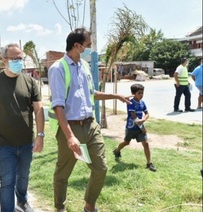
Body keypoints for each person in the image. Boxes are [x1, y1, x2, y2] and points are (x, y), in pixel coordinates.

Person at [48, 27, 131, 212]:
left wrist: (116, 96)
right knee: (63, 173)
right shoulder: (58, 69)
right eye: (88, 45)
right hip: (71, 127)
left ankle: (89, 205)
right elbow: (58, 105)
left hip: (90, 125)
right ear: (77, 46)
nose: (90, 49)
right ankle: (59, 207)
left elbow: (92, 94)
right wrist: (69, 136)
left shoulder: (83, 66)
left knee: (101, 168)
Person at [0, 43, 44, 212]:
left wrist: (40, 135)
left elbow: (38, 109)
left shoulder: (30, 82)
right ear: (4, 60)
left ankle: (22, 201)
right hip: (3, 145)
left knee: (23, 177)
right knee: (7, 181)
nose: (19, 61)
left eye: (21, 58)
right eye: (14, 58)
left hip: (26, 143)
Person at [113, 83, 156, 172]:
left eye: (142, 93)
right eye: (139, 93)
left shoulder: (142, 103)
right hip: (131, 128)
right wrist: (141, 126)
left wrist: (143, 120)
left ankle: (149, 163)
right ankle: (117, 150)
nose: (141, 95)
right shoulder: (131, 102)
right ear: (133, 94)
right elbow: (133, 116)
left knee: (146, 144)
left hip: (140, 127)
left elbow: (147, 113)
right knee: (126, 142)